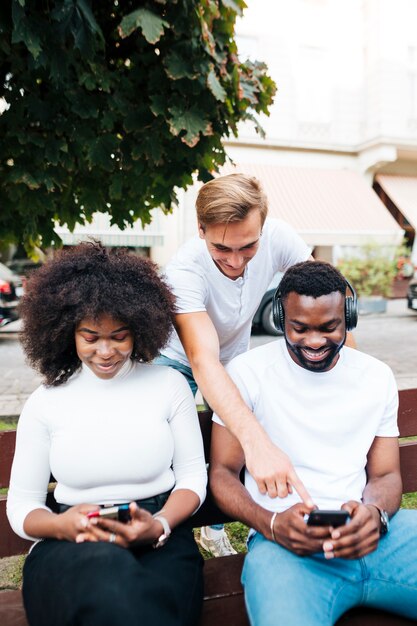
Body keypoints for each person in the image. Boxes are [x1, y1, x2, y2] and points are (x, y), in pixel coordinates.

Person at [7, 242, 207, 626]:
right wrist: (61, 525)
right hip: (70, 541)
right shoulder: (46, 401)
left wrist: (161, 524)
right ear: (68, 332)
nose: (105, 351)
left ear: (140, 329)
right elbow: (21, 508)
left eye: (119, 336)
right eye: (90, 336)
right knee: (110, 584)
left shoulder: (168, 385)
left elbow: (193, 478)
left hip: (158, 538)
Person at [210, 260, 417, 626]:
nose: (315, 341)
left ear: (348, 317)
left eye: (329, 327)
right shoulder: (246, 374)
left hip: (377, 539)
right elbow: (223, 473)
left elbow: (385, 475)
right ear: (280, 317)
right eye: (300, 328)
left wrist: (375, 515)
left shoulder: (376, 376)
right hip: (285, 549)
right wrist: (270, 524)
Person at [156, 172, 314, 556]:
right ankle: (163, 526)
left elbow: (324, 294)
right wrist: (256, 440)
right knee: (166, 446)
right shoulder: (185, 270)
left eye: (248, 246)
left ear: (263, 225)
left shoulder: (279, 236)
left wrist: (352, 374)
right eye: (221, 248)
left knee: (231, 449)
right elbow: (201, 358)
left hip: (236, 355)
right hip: (176, 358)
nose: (236, 260)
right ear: (201, 229)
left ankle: (213, 528)